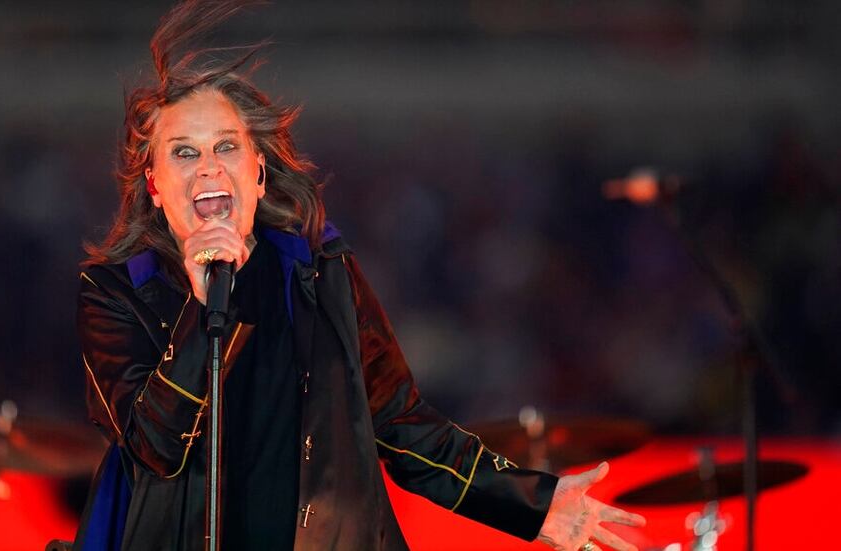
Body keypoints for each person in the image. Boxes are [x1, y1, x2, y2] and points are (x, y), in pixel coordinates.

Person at [72, 2, 645, 550]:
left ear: (259, 173)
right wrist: (200, 310)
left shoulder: (319, 273)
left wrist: (531, 504)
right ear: (153, 183)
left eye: (226, 146)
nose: (209, 166)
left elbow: (403, 424)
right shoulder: (115, 292)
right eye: (183, 153)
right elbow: (155, 448)